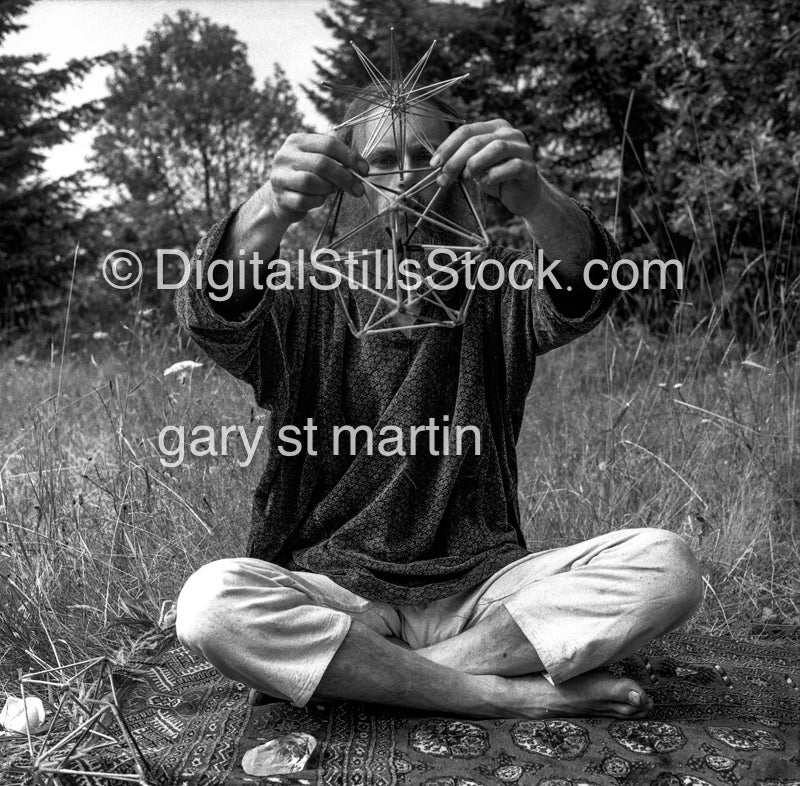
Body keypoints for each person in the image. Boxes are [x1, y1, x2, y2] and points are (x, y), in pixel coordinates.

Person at [174, 93, 703, 720]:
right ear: (354, 177)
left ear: (457, 167)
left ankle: (377, 677)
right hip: (337, 594)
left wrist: (534, 198)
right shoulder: (306, 297)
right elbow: (212, 316)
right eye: (385, 160)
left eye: (428, 155)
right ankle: (495, 692)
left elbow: (588, 285)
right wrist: (268, 206)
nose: (407, 177)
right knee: (211, 603)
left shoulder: (494, 288)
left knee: (668, 565)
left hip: (484, 590)